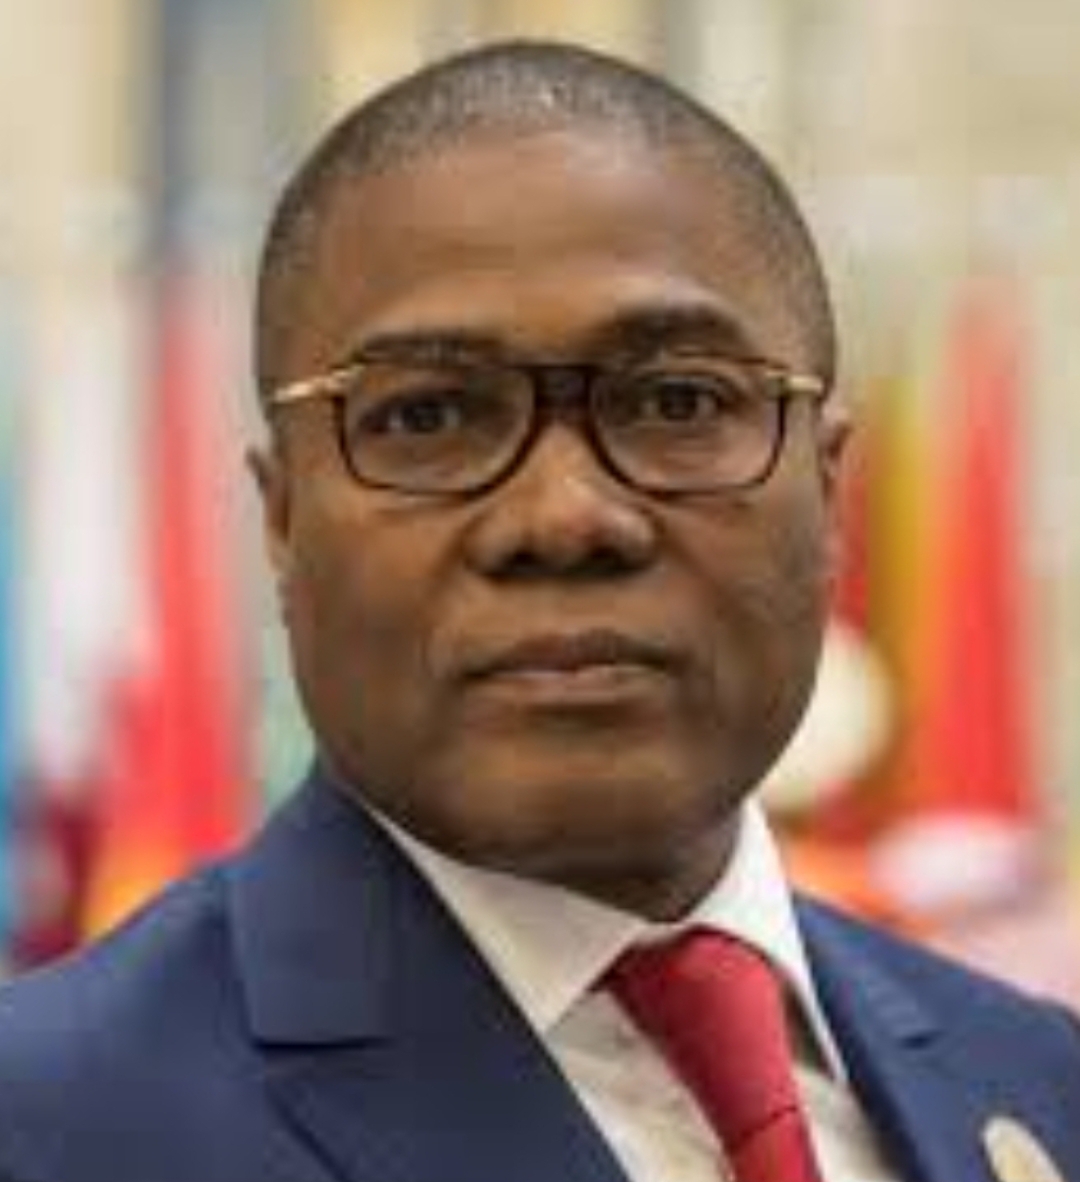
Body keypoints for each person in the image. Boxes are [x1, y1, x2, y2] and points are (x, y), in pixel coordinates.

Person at [0, 39, 1078, 1182]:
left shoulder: (1039, 1082)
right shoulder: (50, 1125)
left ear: (826, 486)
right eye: (426, 417)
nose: (566, 517)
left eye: (678, 401)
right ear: (282, 518)